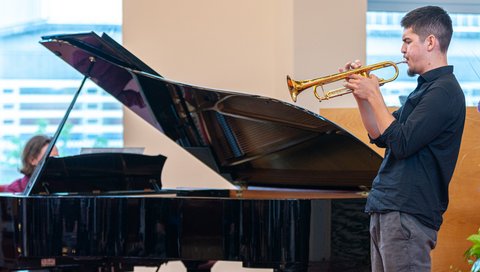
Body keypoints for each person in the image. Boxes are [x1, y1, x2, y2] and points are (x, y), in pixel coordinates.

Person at [341, 6, 466, 272]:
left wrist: (375, 95)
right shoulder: (423, 90)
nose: (402, 49)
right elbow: (381, 135)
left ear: (430, 42)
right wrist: (361, 97)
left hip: (407, 211)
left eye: (407, 41)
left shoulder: (444, 91)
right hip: (389, 208)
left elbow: (402, 143)